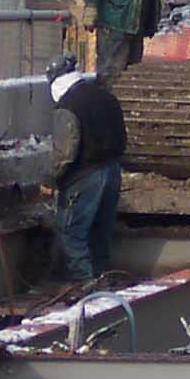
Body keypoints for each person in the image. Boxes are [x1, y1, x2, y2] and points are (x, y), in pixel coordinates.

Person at [46, 58, 126, 284]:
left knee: (71, 234)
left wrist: (50, 179)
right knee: (100, 233)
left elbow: (65, 152)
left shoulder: (67, 105)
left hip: (85, 177)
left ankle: (87, 285)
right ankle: (104, 281)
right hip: (112, 171)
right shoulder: (106, 97)